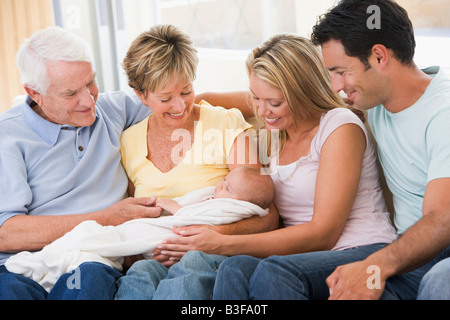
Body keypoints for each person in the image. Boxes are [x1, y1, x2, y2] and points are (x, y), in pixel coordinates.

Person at [156, 33, 398, 300]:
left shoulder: (339, 127)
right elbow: (205, 101)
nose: (262, 112)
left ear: (302, 93)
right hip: (301, 258)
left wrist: (223, 243)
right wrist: (171, 103)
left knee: (273, 271)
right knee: (233, 269)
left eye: (274, 103)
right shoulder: (276, 128)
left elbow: (324, 234)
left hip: (359, 250)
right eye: (255, 98)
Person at [114, 24, 279, 300]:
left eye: (186, 91)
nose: (180, 107)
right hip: (154, 256)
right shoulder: (128, 142)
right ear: (141, 95)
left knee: (192, 265)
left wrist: (205, 238)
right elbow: (135, 219)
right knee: (139, 274)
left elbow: (266, 216)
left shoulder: (225, 124)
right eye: (165, 98)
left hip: (210, 253)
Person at [0, 26, 160, 300]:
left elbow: (180, 102)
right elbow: (7, 234)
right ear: (35, 93)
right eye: (70, 93)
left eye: (91, 83)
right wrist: (107, 218)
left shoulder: (114, 109)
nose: (88, 101)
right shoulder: (7, 136)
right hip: (17, 265)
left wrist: (256, 100)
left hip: (87, 260)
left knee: (87, 281)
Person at [309, 0, 450, 299]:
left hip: (441, 249)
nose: (335, 86)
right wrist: (196, 101)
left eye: (340, 71)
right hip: (411, 253)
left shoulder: (443, 113)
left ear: (378, 56)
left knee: (440, 281)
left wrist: (374, 267)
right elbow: (292, 97)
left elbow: (442, 218)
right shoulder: (375, 101)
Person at [5, 166, 273, 293]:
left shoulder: (234, 206)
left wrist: (177, 210)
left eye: (226, 186)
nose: (219, 186)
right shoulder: (129, 121)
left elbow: (192, 219)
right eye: (165, 97)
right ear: (143, 95)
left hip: (183, 245)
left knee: (92, 262)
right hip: (143, 244)